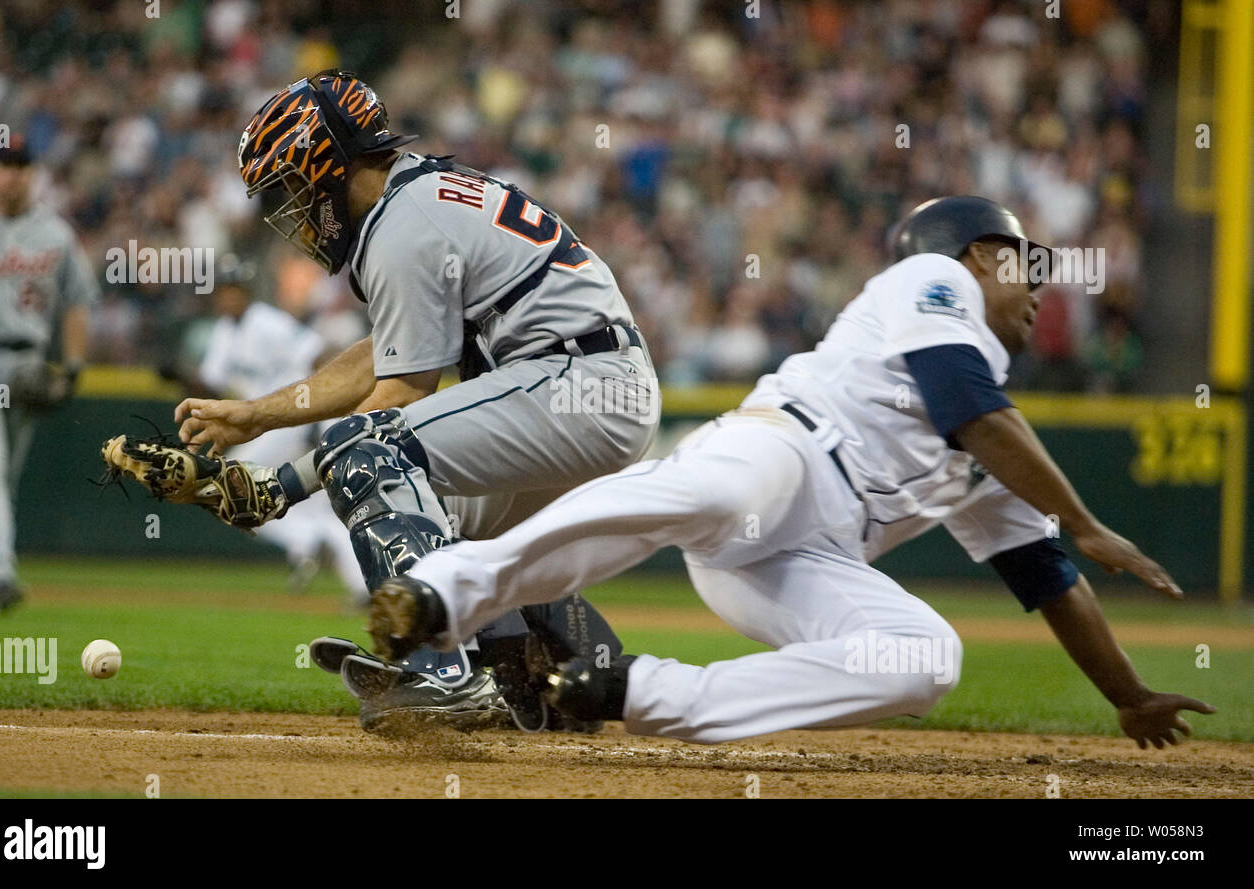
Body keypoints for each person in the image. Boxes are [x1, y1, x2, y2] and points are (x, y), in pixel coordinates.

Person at [368, 196, 1217, 748]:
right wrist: (1085, 515)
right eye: (1021, 261)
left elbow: (1045, 577)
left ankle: (633, 689)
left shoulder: (1001, 446)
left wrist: (1130, 694)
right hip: (784, 452)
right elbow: (964, 402)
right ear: (977, 253)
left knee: (926, 658)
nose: (1036, 283)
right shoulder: (931, 278)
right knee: (707, 492)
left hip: (804, 561)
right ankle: (444, 592)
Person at [169, 71, 659, 731]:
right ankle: (556, 686)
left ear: (326, 160)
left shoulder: (403, 222)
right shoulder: (420, 197)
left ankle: (441, 669)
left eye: (290, 185)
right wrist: (258, 414)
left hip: (575, 384)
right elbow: (388, 354)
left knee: (366, 457)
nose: (292, 209)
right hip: (589, 383)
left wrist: (283, 483)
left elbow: (396, 399)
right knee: (439, 520)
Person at [0, 138, 96, 614]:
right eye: (3, 165)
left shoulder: (54, 232)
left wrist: (72, 370)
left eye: (21, 165)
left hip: (27, 362)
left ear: (33, 173)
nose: (12, 174)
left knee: (3, 473)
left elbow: (77, 301)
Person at [194, 257, 367, 606]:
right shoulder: (225, 331)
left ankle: (304, 542)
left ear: (246, 292)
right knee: (321, 509)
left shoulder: (268, 323)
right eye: (225, 291)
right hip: (264, 424)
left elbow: (319, 356)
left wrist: (320, 420)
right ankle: (354, 580)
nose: (230, 297)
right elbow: (210, 380)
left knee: (230, 484)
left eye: (236, 290)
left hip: (288, 418)